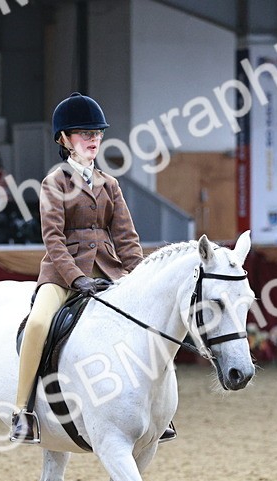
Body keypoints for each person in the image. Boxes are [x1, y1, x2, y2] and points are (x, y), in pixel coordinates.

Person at [10, 92, 174, 445]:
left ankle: (161, 412)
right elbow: (53, 239)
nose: (93, 139)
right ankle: (22, 410)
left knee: (152, 322)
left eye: (97, 133)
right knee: (39, 322)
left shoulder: (109, 184)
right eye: (85, 133)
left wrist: (140, 278)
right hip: (62, 273)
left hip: (108, 272)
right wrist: (76, 278)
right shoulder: (54, 183)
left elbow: (127, 238)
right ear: (65, 140)